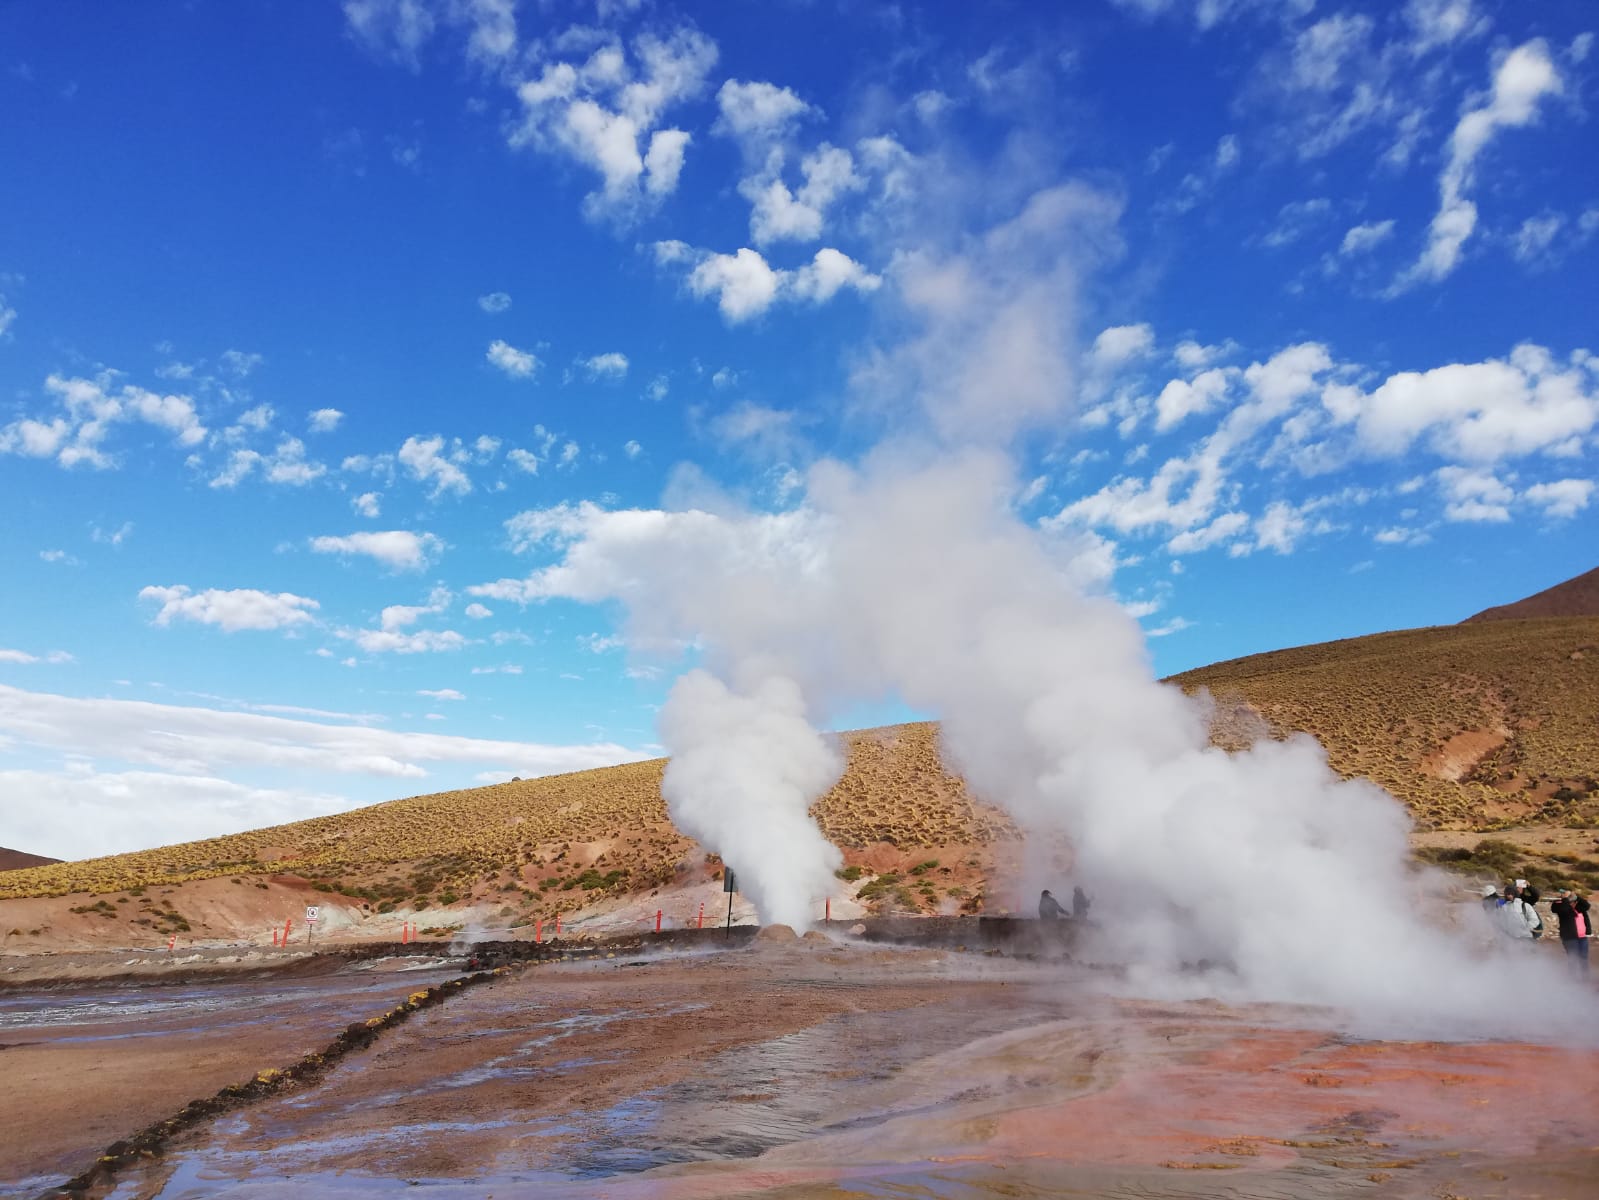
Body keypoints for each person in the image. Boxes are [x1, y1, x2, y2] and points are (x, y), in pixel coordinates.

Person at [1549, 890, 1592, 976]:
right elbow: (1563, 910)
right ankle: (1573, 978)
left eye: (1575, 901)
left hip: (1582, 937)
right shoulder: (1559, 905)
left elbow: (1587, 906)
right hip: (1569, 938)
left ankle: (1585, 977)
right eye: (1572, 901)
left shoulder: (1578, 907)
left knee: (1583, 958)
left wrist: (1576, 896)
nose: (1574, 903)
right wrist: (1565, 899)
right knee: (1573, 958)